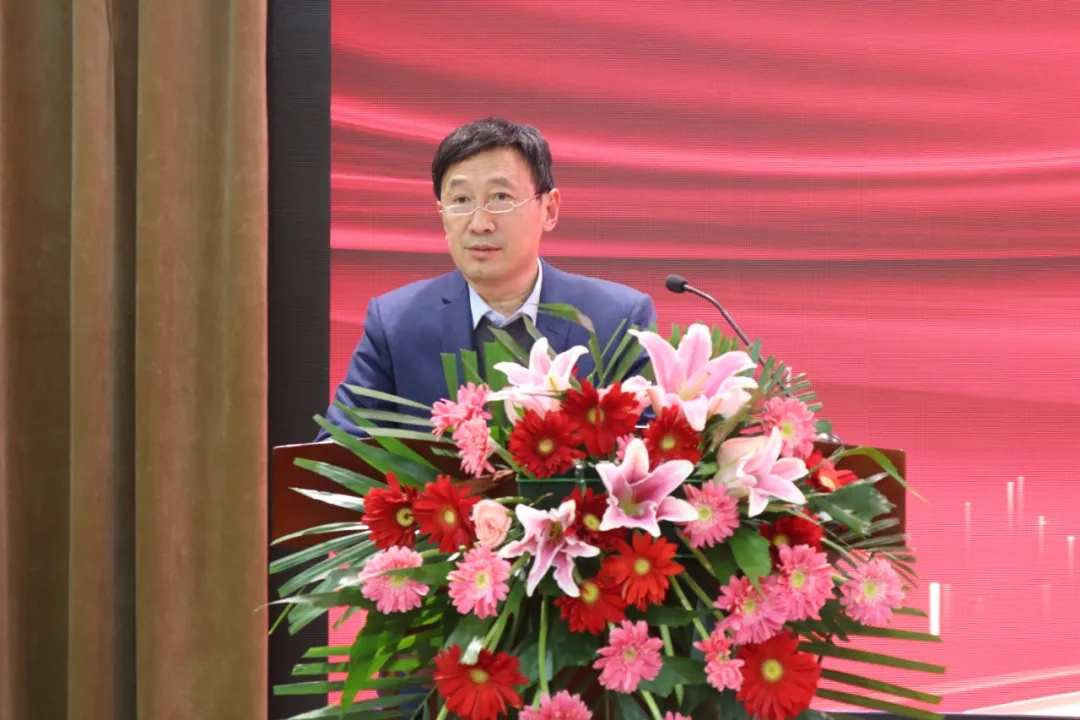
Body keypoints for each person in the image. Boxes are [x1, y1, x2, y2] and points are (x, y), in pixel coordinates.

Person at [318, 117, 657, 439]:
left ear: (549, 209)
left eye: (500, 198)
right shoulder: (396, 324)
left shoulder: (617, 320)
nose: (480, 223)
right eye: (461, 200)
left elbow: (649, 452)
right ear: (442, 214)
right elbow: (336, 455)